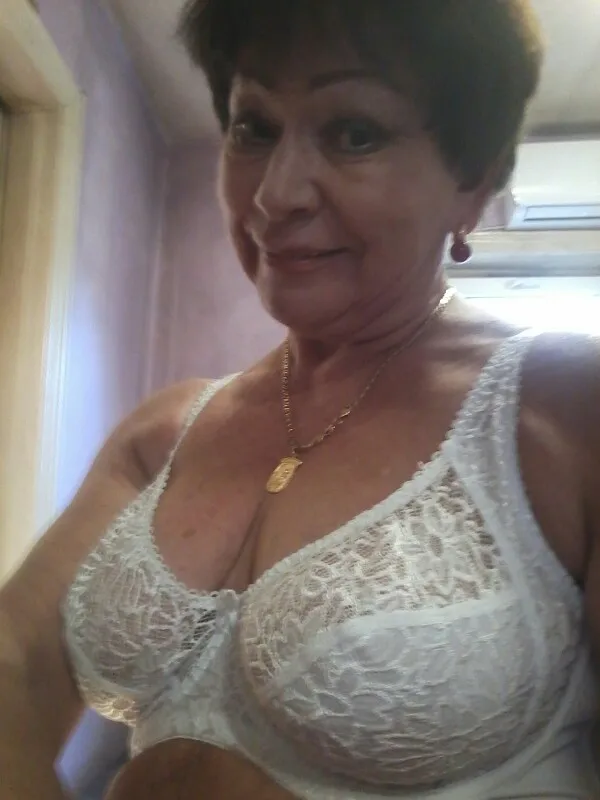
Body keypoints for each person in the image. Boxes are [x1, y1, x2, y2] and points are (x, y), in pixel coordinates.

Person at [1, 1, 599, 798]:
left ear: (472, 183)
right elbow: (13, 664)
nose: (275, 196)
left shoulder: (564, 407)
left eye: (354, 133)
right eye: (254, 128)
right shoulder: (164, 432)